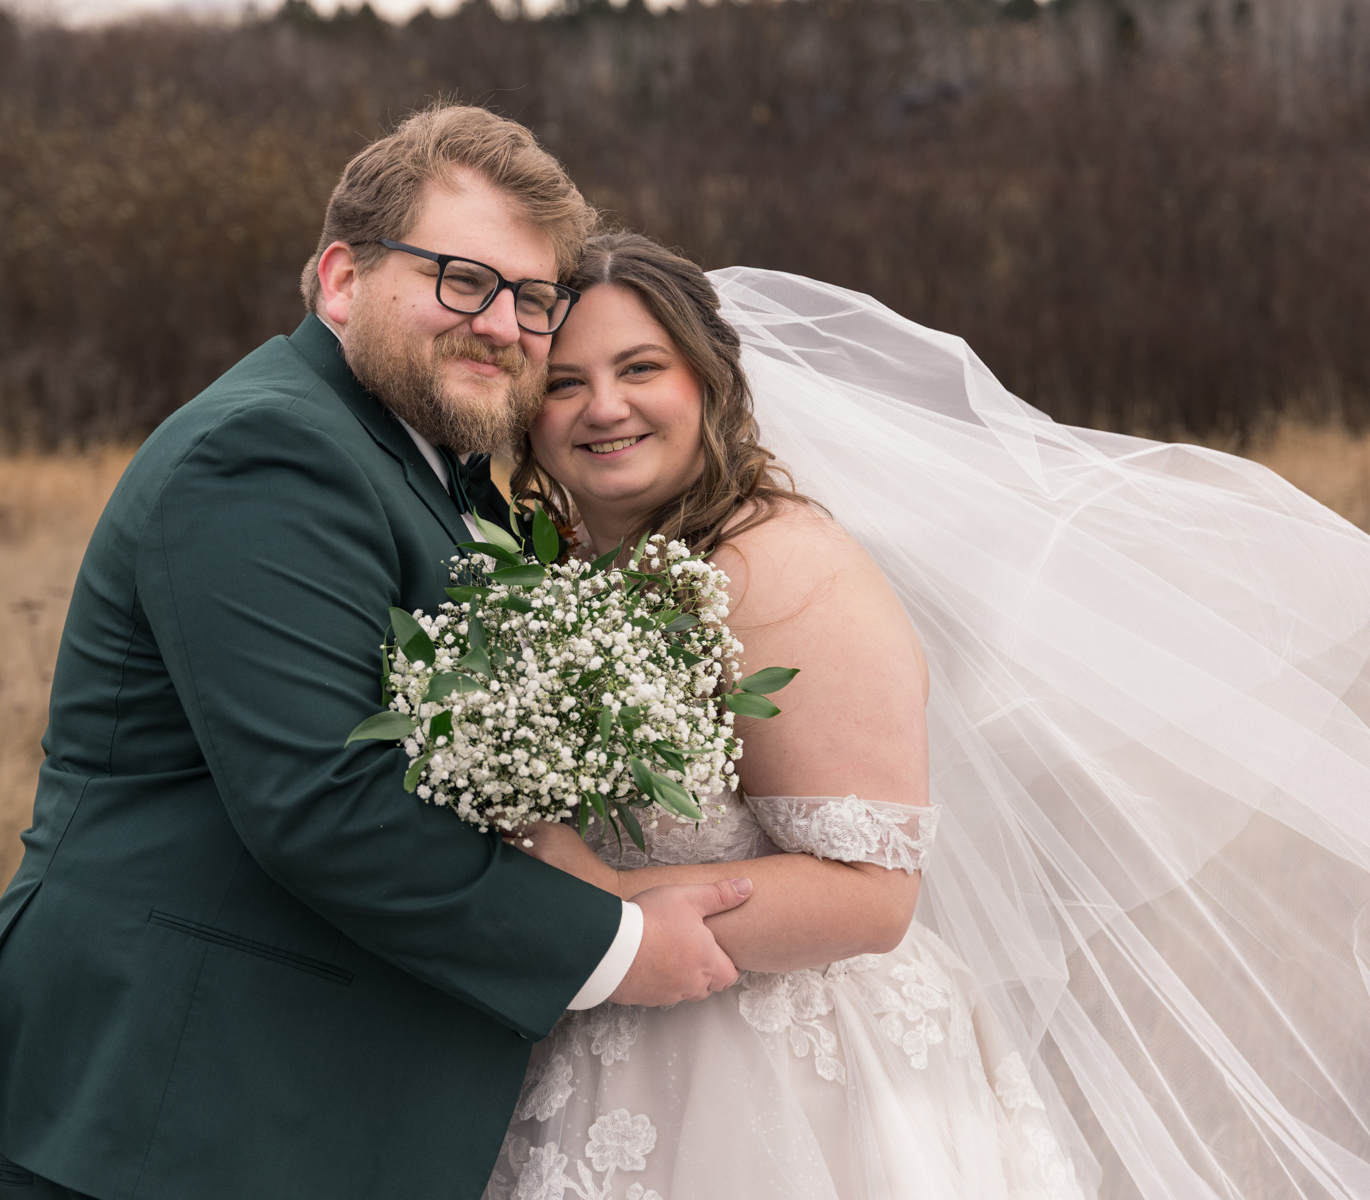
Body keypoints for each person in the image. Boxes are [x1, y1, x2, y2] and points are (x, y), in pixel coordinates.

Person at [0, 109, 756, 1200]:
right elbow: (323, 800)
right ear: (341, 280)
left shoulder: (423, 456)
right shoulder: (267, 449)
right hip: (171, 1109)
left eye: (531, 297)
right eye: (461, 279)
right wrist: (613, 947)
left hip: (277, 1108)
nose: (500, 325)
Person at [482, 231, 1370, 1199]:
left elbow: (871, 897)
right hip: (608, 1058)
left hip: (787, 1088)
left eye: (639, 368)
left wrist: (603, 898)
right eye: (564, 382)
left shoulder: (776, 567)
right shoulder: (563, 572)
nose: (603, 406)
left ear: (707, 380)